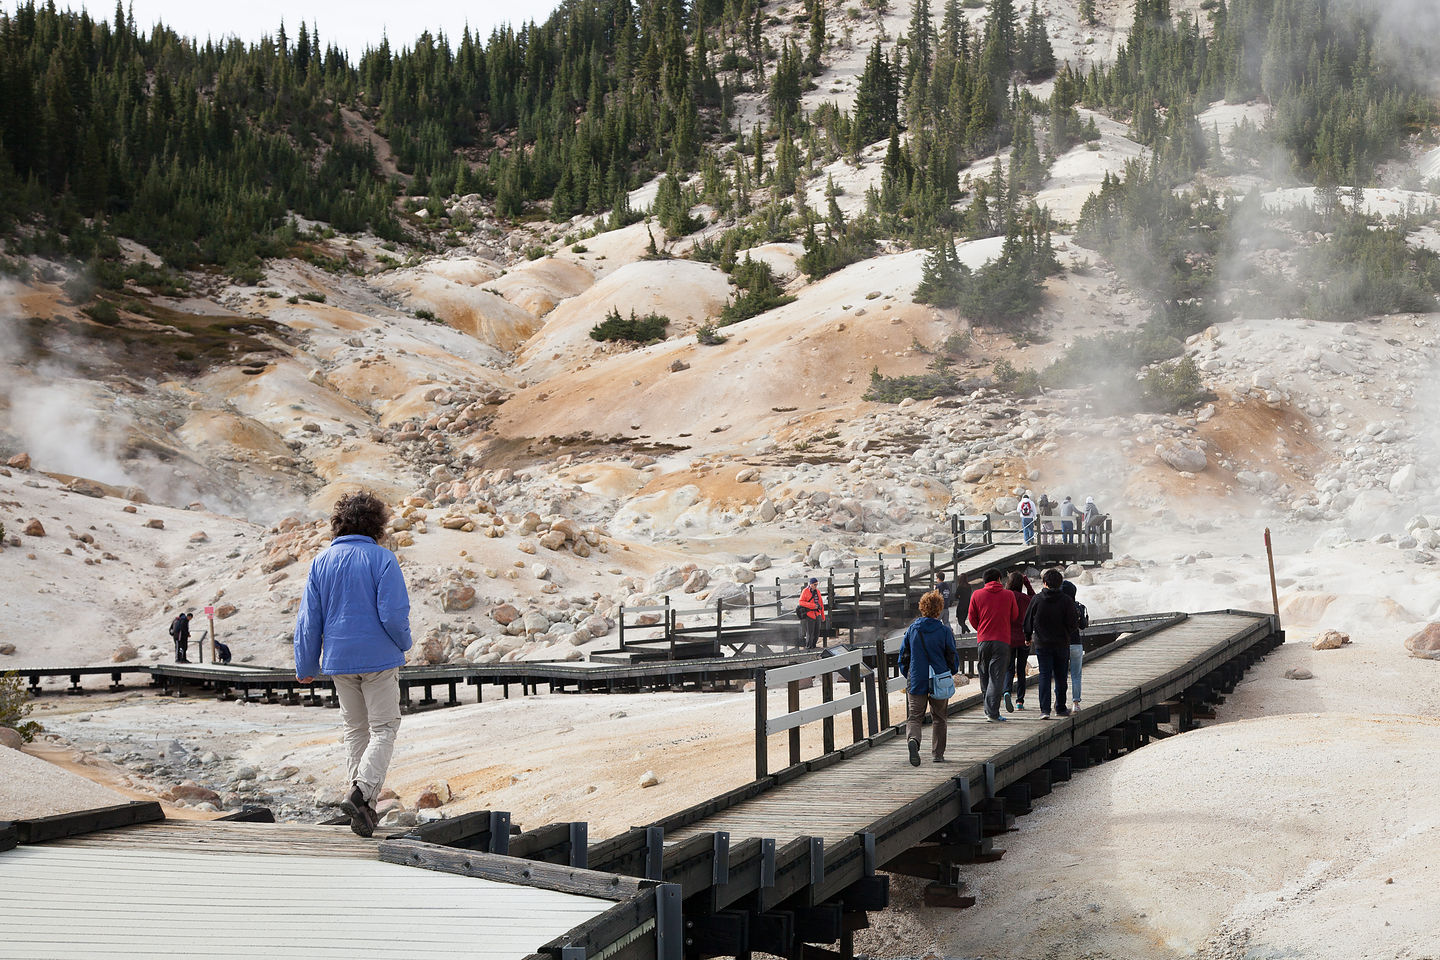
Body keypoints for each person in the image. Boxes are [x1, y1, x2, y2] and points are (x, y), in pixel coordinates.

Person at [294, 491, 413, 839]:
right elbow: (392, 614)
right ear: (376, 523)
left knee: (355, 730)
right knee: (384, 728)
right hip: (378, 658)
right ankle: (361, 792)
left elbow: (308, 620)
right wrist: (404, 642)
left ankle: (364, 809)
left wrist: (305, 664)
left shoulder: (320, 563)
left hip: (339, 661)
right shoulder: (383, 559)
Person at [898, 591, 960, 766]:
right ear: (939, 609)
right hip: (939, 679)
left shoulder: (913, 629)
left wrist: (909, 674)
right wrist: (951, 671)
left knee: (915, 717)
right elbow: (952, 655)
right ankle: (937, 754)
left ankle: (914, 741)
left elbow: (903, 656)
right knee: (939, 717)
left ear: (922, 608)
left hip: (917, 678)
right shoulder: (944, 631)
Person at [1022, 568, 1079, 719]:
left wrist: (1028, 637)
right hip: (1062, 643)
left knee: (1044, 676)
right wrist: (1067, 633)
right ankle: (1060, 708)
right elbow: (1073, 624)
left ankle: (1045, 710)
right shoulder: (1066, 601)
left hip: (1042, 644)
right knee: (1061, 676)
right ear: (1060, 583)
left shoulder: (1037, 599)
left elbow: (1027, 621)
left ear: (1045, 583)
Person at [967, 568, 1019, 722]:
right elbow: (1015, 616)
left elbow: (972, 618)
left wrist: (981, 629)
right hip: (1002, 640)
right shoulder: (1008, 595)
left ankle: (988, 709)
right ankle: (993, 713)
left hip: (983, 639)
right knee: (996, 677)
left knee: (984, 674)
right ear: (998, 579)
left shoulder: (976, 594)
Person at [1004, 571, 1035, 712]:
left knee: (1009, 668)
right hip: (1023, 638)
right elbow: (1034, 598)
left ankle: (1006, 692)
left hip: (1008, 638)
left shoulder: (1005, 596)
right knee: (1021, 670)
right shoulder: (1025, 598)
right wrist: (1027, 582)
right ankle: (1020, 701)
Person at [1062, 579, 1087, 706]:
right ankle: (1076, 704)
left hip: (1062, 644)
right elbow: (1083, 626)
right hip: (1076, 644)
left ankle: (1059, 701)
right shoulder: (1078, 606)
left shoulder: (1058, 607)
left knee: (1061, 675)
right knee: (1076, 675)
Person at [797, 577, 826, 649]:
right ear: (811, 584)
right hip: (809, 615)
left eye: (817, 584)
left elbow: (821, 604)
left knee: (817, 633)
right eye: (815, 584)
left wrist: (823, 616)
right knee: (810, 633)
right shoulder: (805, 591)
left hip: (817, 614)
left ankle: (813, 646)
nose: (816, 586)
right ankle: (808, 647)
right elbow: (801, 602)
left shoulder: (818, 591)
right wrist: (813, 606)